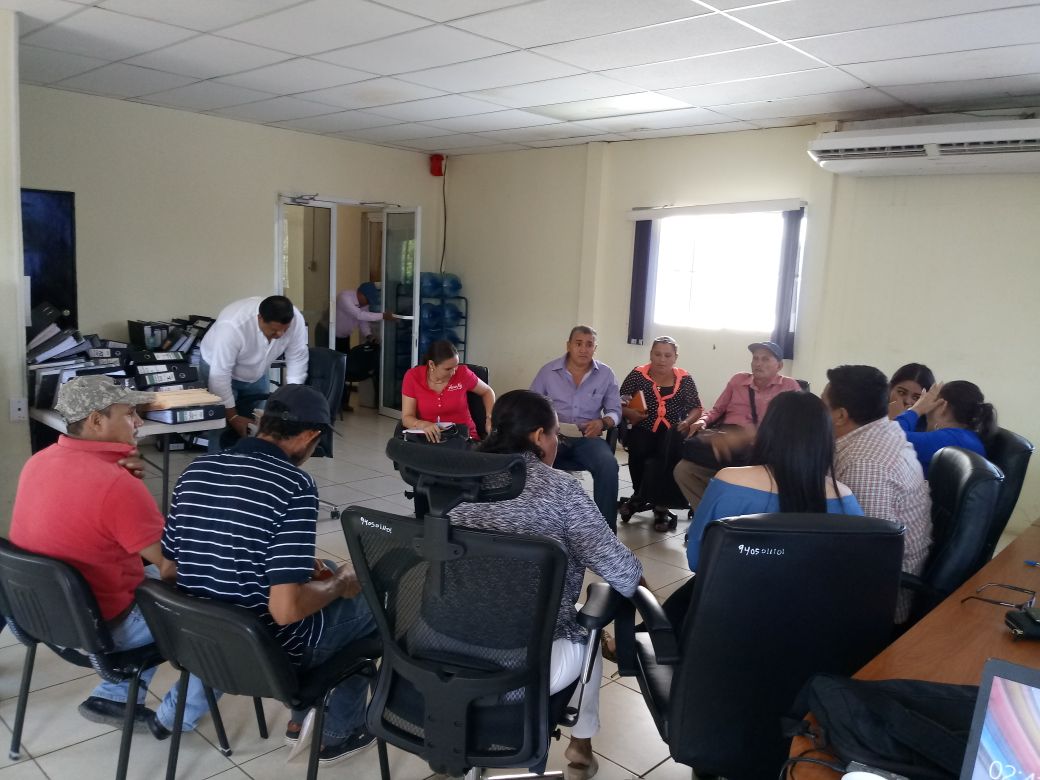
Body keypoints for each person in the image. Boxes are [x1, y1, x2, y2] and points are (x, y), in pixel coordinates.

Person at [161, 384, 378, 764]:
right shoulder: (293, 484)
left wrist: (301, 568)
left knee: (325, 571)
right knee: (372, 602)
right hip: (268, 653)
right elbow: (286, 610)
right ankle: (337, 732)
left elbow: (169, 570)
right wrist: (340, 583)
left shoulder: (197, 470)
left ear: (263, 422)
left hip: (202, 640)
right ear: (309, 436)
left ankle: (304, 719)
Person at [449, 390, 642, 778]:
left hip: (440, 655)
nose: (557, 444)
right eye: (556, 436)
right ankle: (580, 748)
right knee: (586, 628)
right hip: (519, 669)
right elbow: (625, 573)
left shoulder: (456, 478)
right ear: (539, 436)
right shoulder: (561, 490)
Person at [9, 376, 210, 738]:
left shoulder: (37, 462)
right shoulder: (116, 484)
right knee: (223, 602)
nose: (138, 422)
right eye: (129, 413)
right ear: (96, 420)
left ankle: (114, 696)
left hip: (40, 617)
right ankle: (174, 719)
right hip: (103, 630)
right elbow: (171, 567)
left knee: (147, 581)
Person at [667, 391, 863, 630]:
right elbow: (849, 577)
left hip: (727, 624)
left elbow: (698, 560)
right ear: (825, 440)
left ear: (768, 432)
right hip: (810, 630)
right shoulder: (845, 499)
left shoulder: (729, 482)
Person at [822, 365, 932, 622]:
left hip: (877, 603)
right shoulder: (883, 428)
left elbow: (872, 554)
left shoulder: (865, 465)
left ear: (841, 415)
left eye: (822, 404)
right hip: (871, 575)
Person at [672, 341, 801, 513]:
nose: (758, 363)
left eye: (765, 359)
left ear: (779, 365)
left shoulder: (789, 388)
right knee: (683, 470)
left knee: (734, 482)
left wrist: (752, 437)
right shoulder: (738, 380)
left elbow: (797, 426)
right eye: (755, 358)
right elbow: (717, 410)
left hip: (761, 453)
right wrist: (702, 421)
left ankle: (726, 516)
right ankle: (712, 516)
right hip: (726, 446)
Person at [530, 326, 622, 530]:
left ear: (595, 348)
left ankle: (605, 532)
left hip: (587, 438)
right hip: (553, 436)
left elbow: (616, 411)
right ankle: (538, 523)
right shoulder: (548, 372)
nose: (583, 349)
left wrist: (603, 423)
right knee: (530, 460)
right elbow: (531, 405)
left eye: (589, 345)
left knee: (608, 465)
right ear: (568, 345)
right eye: (578, 344)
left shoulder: (606, 374)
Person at [199, 294, 308, 448]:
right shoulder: (232, 326)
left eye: (285, 329)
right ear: (260, 318)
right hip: (216, 368)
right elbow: (219, 376)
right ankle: (220, 461)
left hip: (257, 372)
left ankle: (252, 461)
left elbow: (297, 358)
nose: (280, 335)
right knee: (221, 427)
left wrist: (291, 399)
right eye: (274, 330)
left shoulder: (296, 321)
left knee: (259, 426)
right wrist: (233, 417)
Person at [618, 336, 702, 532]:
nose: (662, 360)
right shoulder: (638, 374)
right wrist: (629, 412)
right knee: (639, 446)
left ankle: (661, 504)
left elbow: (696, 408)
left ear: (675, 357)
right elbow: (619, 402)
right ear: (650, 354)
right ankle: (640, 494)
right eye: (657, 354)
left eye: (667, 355)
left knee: (668, 453)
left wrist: (687, 422)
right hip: (643, 426)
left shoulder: (684, 378)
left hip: (672, 431)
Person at [894, 380, 996, 474]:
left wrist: (917, 409)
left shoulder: (950, 440)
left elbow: (890, 438)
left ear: (943, 406)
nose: (927, 411)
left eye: (932, 402)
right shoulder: (965, 437)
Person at [401, 339, 495, 441]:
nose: (454, 372)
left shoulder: (463, 373)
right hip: (430, 438)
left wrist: (490, 418)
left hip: (464, 438)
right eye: (448, 369)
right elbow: (407, 417)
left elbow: (487, 391)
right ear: (431, 364)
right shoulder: (413, 377)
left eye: (456, 366)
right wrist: (423, 424)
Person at [334, 281, 394, 353]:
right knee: (328, 357)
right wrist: (383, 315)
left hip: (344, 337)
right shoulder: (344, 297)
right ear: (360, 293)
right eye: (367, 300)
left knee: (345, 358)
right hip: (329, 333)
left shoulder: (363, 304)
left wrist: (368, 335)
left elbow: (362, 321)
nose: (367, 303)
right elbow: (359, 315)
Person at [888, 362, 935, 431]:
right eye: (901, 392)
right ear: (890, 388)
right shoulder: (873, 414)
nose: (907, 401)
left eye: (916, 398)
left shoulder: (927, 429)